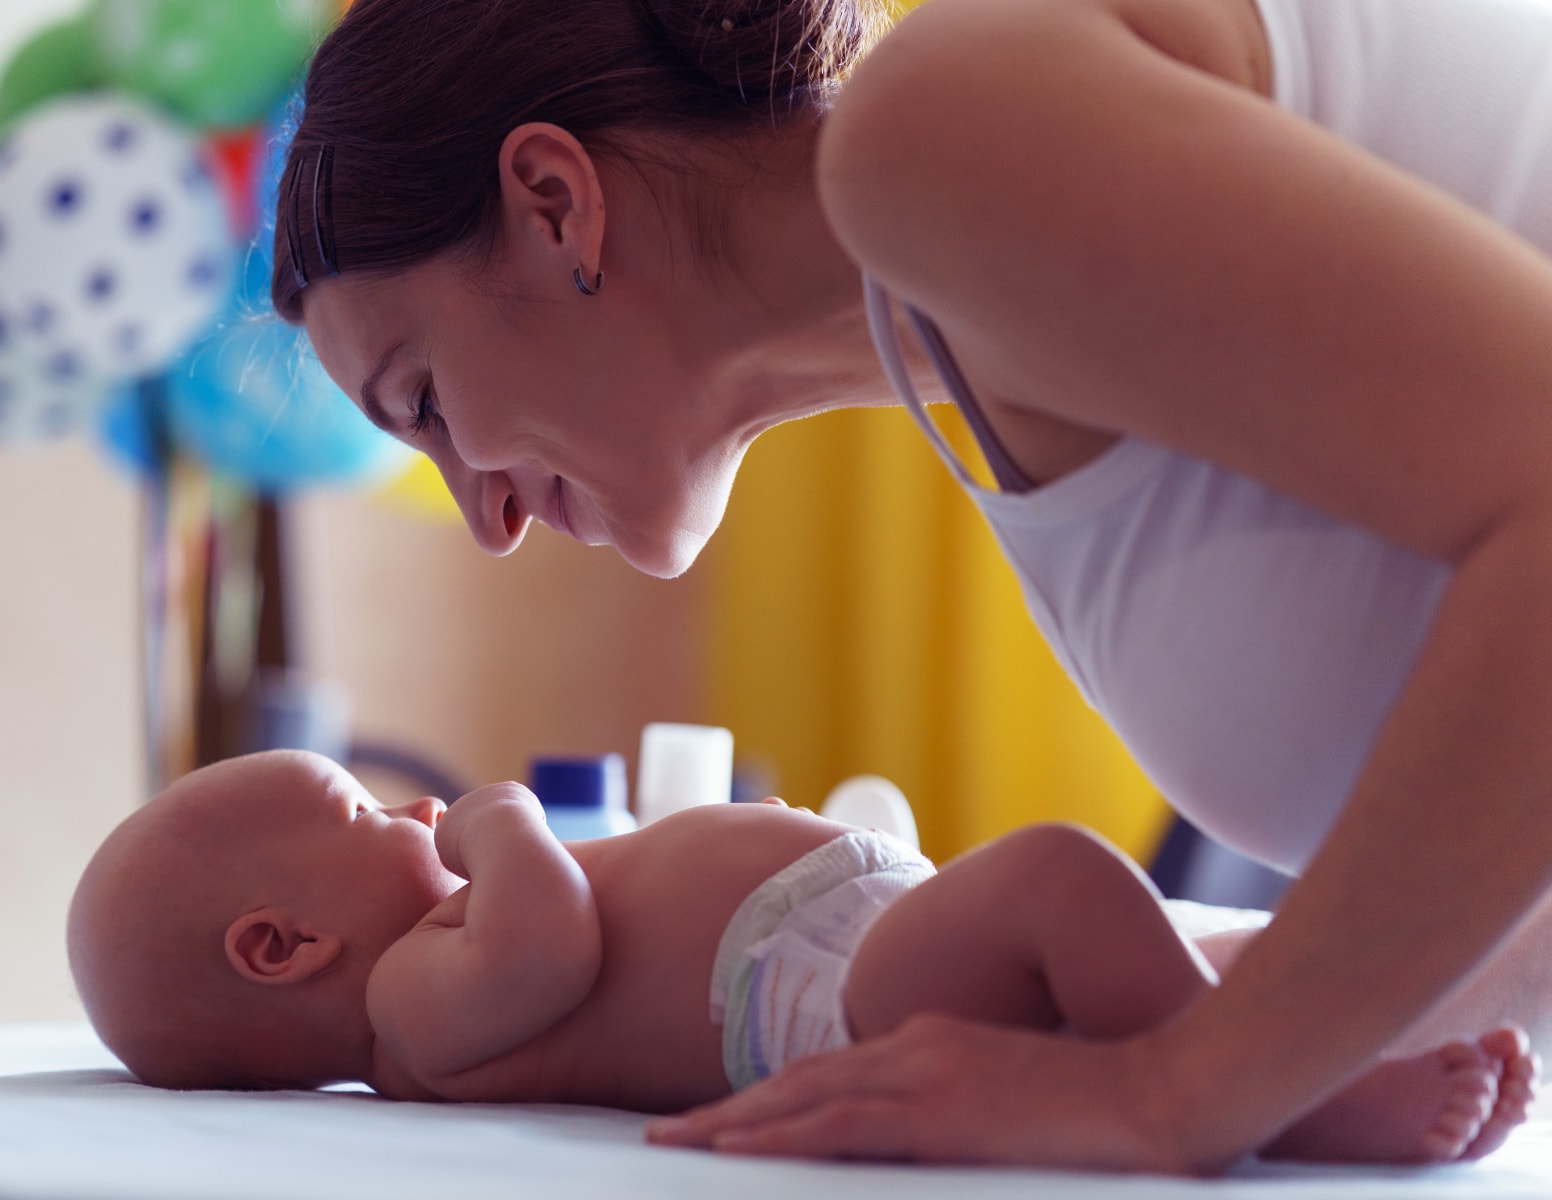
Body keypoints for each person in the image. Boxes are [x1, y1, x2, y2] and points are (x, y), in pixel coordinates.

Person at [269, 0, 1552, 1174]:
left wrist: (1176, 1093)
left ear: (554, 201)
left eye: (426, 402)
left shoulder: (950, 134)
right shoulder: (987, 363)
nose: (483, 521)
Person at [67, 749, 1533, 1167]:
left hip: (862, 941)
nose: (416, 807)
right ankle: (1293, 1096)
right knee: (1065, 880)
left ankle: (1268, 1034)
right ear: (281, 945)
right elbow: (551, 946)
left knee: (1099, 933)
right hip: (830, 1000)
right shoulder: (407, 1010)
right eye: (362, 808)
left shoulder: (412, 955)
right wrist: (510, 824)